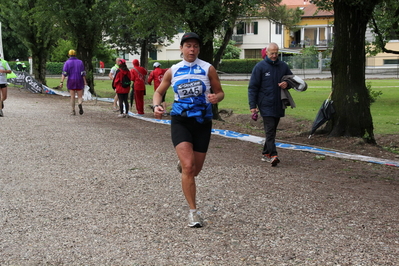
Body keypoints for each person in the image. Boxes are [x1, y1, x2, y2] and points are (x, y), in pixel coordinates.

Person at [153, 32, 225, 228]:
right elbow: (159, 92)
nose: (192, 49)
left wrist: (216, 98)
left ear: (198, 49)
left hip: (202, 122)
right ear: (181, 48)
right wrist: (156, 106)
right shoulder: (173, 71)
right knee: (189, 168)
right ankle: (193, 212)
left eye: (195, 46)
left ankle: (185, 164)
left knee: (196, 170)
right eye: (188, 46)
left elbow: (220, 92)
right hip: (181, 121)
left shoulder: (208, 69)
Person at [248, 42, 292, 167]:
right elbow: (252, 88)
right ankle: (274, 155)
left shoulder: (283, 66)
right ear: (266, 53)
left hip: (279, 103)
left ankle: (265, 153)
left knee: (272, 130)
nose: (274, 55)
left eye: (276, 53)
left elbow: (292, 80)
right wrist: (253, 106)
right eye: (271, 53)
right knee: (270, 130)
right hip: (265, 104)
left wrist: (287, 84)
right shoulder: (260, 67)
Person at [60, 49, 87, 115]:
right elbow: (83, 73)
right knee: (80, 96)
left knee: (72, 96)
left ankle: (73, 110)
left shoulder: (67, 62)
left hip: (71, 80)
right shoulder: (80, 62)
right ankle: (80, 103)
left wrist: (61, 82)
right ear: (75, 54)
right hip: (79, 80)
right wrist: (85, 82)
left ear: (69, 55)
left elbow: (64, 73)